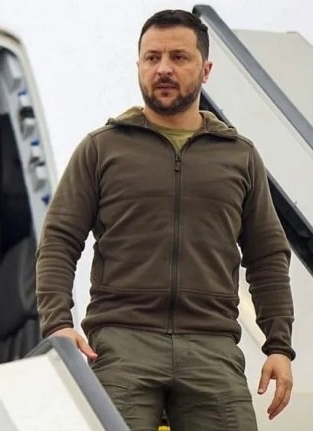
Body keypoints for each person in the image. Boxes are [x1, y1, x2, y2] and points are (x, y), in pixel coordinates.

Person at [35, 9, 294, 431]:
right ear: (139, 65)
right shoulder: (102, 149)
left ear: (206, 70)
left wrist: (279, 345)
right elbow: (59, 241)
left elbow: (267, 257)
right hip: (120, 344)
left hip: (212, 347)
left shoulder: (240, 156)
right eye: (152, 58)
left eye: (179, 57)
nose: (164, 69)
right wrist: (58, 324)